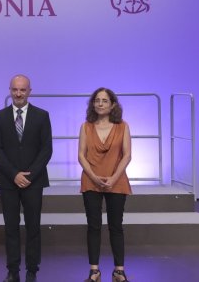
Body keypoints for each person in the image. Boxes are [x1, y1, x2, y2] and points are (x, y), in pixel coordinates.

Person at [0, 75, 53, 282]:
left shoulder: (42, 116)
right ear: (10, 90)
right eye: (15, 90)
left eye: (22, 90)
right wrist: (14, 174)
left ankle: (32, 270)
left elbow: (46, 150)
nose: (18, 94)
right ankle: (13, 270)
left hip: (34, 182)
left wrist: (30, 175)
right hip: (8, 181)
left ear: (29, 91)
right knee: (11, 227)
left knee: (33, 227)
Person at [77, 88, 133, 282]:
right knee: (93, 226)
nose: (100, 104)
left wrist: (114, 177)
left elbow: (127, 155)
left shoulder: (123, 126)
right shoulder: (86, 127)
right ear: (93, 104)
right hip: (91, 181)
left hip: (116, 181)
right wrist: (93, 176)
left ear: (113, 105)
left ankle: (119, 271)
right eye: (97, 100)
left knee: (116, 226)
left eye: (104, 101)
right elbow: (81, 156)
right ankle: (94, 271)